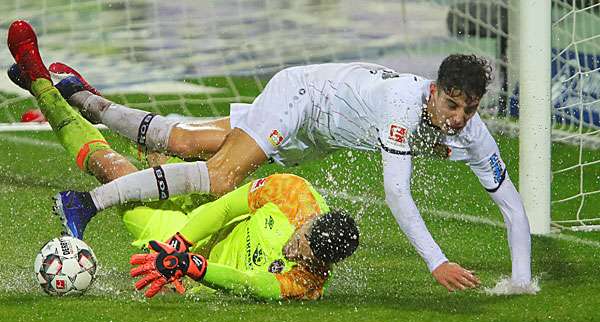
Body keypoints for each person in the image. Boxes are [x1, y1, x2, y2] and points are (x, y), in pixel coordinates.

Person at [9, 19, 532, 293]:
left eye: (468, 109)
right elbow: (397, 191)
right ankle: (88, 204)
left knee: (183, 143)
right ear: (436, 90)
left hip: (315, 136)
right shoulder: (403, 107)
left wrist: (522, 279)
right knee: (219, 177)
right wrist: (436, 261)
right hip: (302, 98)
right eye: (452, 104)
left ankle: (77, 93)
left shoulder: (474, 136)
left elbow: (512, 206)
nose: (458, 118)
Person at [6, 20, 360, 300]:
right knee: (172, 149)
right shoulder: (293, 194)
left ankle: (42, 85)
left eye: (307, 258)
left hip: (185, 265)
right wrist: (182, 242)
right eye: (300, 242)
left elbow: (250, 285)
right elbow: (224, 208)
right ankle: (82, 98)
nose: (295, 253)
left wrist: (190, 264)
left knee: (112, 169)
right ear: (309, 222)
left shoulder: (305, 282)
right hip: (206, 215)